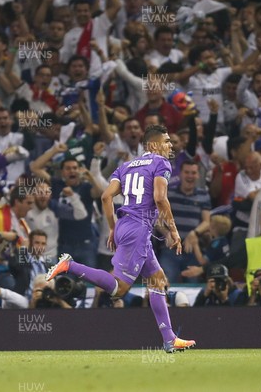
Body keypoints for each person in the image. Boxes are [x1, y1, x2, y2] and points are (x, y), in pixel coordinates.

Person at [46, 125, 195, 353]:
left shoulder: (125, 167)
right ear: (153, 145)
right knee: (118, 289)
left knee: (157, 280)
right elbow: (160, 198)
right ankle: (69, 265)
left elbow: (107, 196)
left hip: (127, 225)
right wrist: (174, 231)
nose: (171, 145)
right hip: (138, 229)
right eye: (166, 141)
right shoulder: (160, 163)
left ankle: (169, 339)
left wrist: (114, 229)